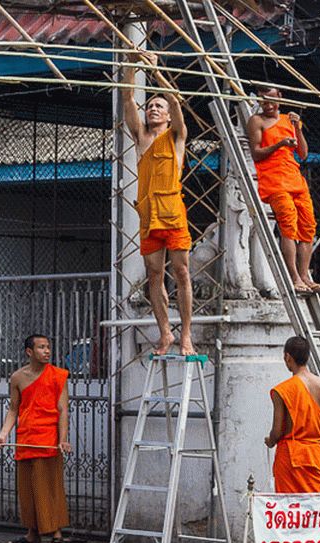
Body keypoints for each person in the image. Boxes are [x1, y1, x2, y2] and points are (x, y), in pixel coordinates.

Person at [122, 50, 195, 356]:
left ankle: (186, 335)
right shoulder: (141, 137)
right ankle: (165, 333)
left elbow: (177, 102)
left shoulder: (176, 136)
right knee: (154, 274)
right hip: (149, 217)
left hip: (173, 215)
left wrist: (157, 73)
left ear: (166, 115)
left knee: (181, 273)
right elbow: (127, 101)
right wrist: (132, 68)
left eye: (158, 107)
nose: (153, 109)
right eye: (150, 105)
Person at [0, 334, 72, 543]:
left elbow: (63, 410)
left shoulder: (58, 376)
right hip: (25, 438)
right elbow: (13, 409)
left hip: (48, 438)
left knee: (49, 487)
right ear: (29, 352)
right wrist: (3, 434)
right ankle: (32, 532)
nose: (47, 351)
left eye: (48, 347)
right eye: (41, 347)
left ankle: (56, 533)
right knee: (28, 489)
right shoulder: (18, 377)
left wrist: (63, 439)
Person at [246, 87, 320, 294]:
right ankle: (293, 277)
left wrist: (297, 128)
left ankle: (304, 276)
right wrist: (279, 144)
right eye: (263, 100)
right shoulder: (256, 121)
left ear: (279, 99)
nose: (267, 104)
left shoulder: (288, 120)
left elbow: (303, 153)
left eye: (271, 99)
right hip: (274, 181)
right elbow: (256, 153)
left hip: (295, 180)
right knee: (288, 226)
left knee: (308, 227)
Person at [264, 335, 320, 543]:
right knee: (316, 511)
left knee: (289, 511)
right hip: (314, 452)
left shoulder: (283, 390)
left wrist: (270, 441)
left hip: (290, 453)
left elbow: (277, 429)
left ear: (287, 357)